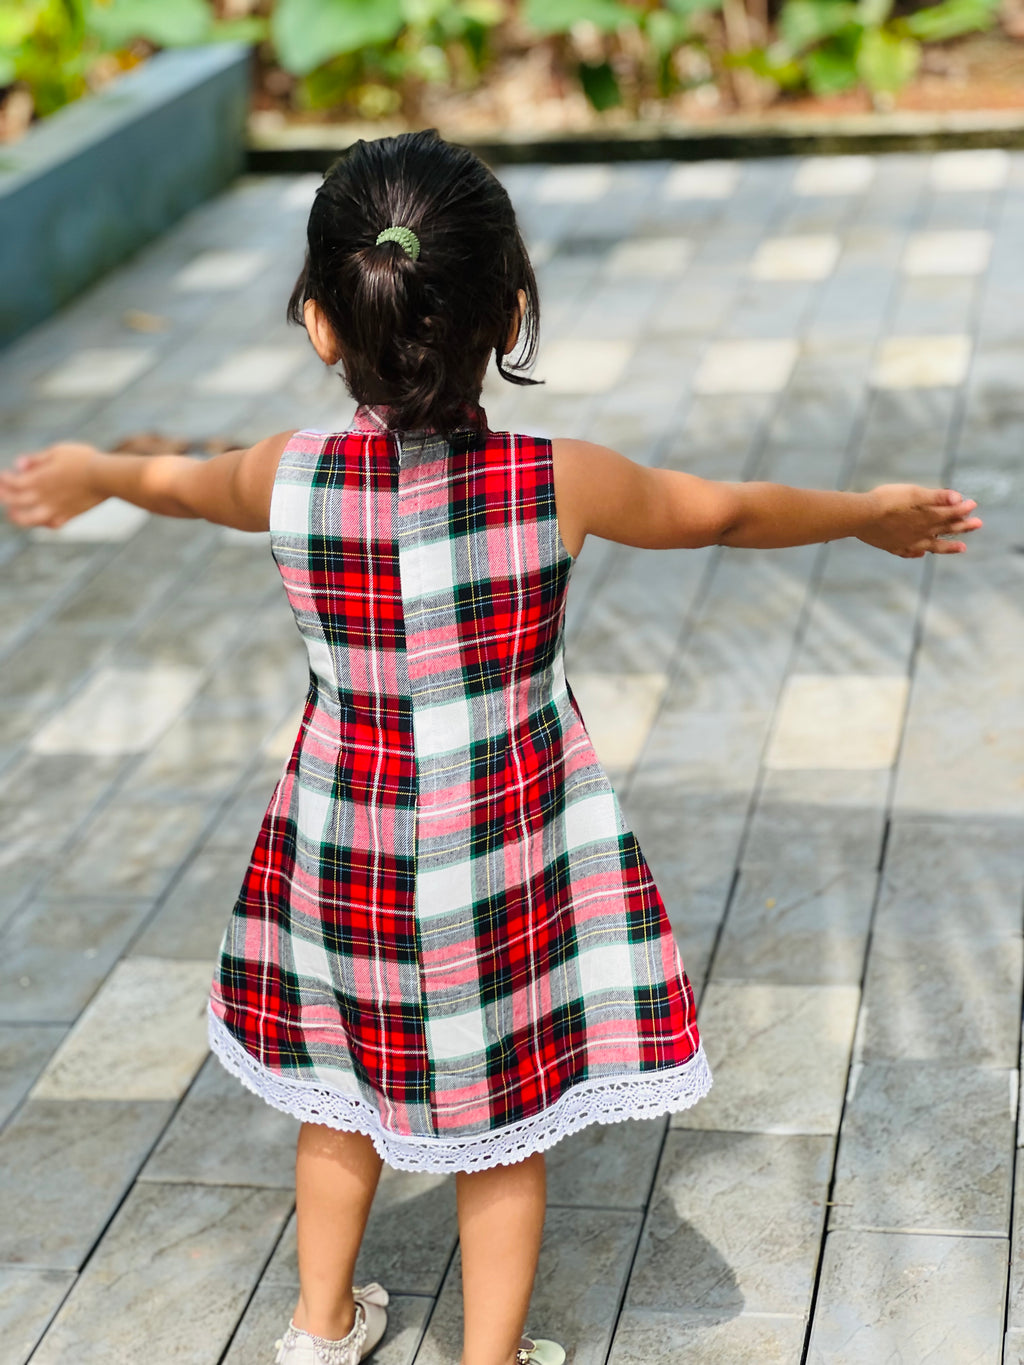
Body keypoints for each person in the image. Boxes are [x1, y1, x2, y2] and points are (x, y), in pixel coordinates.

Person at [0, 130, 982, 1365]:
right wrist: (868, 518)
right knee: (501, 1127)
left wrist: (91, 467)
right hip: (502, 854)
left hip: (340, 846)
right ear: (510, 312)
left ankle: (317, 1329)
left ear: (319, 320)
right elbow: (725, 512)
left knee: (338, 1093)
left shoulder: (284, 474)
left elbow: (180, 483)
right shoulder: (557, 479)